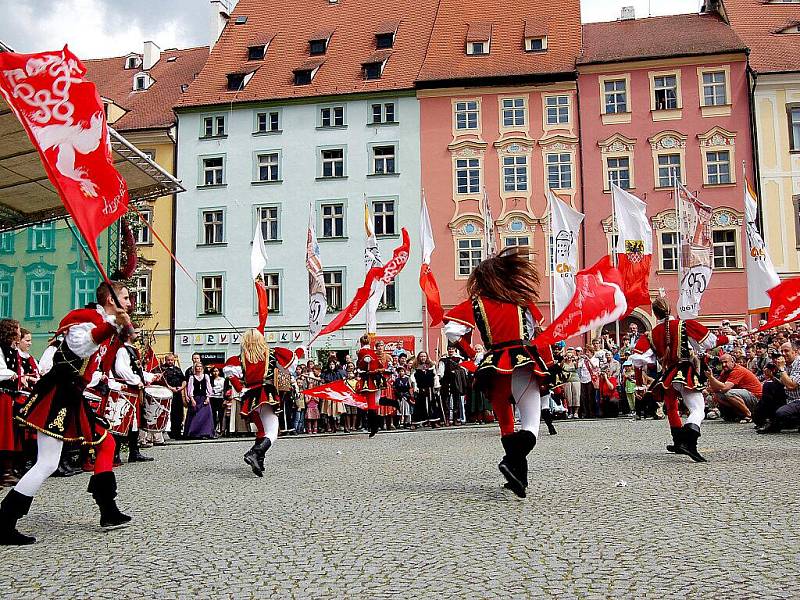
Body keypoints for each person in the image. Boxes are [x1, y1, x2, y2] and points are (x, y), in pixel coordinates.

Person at [1, 281, 133, 545]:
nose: (129, 302)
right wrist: (112, 325)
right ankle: (4, 521)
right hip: (57, 395)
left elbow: (98, 361)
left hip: (74, 394)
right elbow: (81, 346)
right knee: (47, 463)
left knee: (105, 443)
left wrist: (120, 327)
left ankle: (108, 511)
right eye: (125, 298)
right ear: (110, 299)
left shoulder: (106, 323)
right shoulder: (84, 320)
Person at [442, 247, 553, 498]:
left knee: (506, 424)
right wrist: (549, 362)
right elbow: (538, 334)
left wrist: (470, 352)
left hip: (494, 365)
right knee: (530, 424)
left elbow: (452, 332)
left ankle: (518, 478)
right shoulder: (522, 302)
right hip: (523, 361)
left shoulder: (475, 304)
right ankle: (510, 461)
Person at [631, 297, 731, 462]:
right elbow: (710, 342)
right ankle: (688, 441)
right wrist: (729, 339)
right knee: (698, 409)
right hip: (684, 372)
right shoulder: (684, 324)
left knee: (671, 407)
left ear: (655, 314)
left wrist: (640, 386)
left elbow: (638, 361)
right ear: (669, 309)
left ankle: (678, 441)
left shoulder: (650, 334)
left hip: (667, 374)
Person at [223, 329, 296, 477]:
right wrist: (301, 350)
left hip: (249, 396)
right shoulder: (272, 353)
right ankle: (255, 453)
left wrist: (240, 388)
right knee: (272, 432)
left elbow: (230, 374)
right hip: (265, 394)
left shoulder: (240, 358)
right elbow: (291, 361)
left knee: (262, 430)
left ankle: (259, 463)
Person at [113, 327, 155, 462]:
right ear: (128, 334)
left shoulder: (132, 350)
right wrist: (136, 381)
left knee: (134, 422)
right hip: (127, 391)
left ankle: (134, 451)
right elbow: (121, 369)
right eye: (136, 332)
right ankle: (115, 454)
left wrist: (150, 377)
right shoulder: (122, 350)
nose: (138, 334)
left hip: (134, 391)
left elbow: (137, 370)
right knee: (122, 421)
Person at [756, 341, 800, 434]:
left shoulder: (798, 363)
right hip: (789, 398)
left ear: (795, 352)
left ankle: (792, 422)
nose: (783, 354)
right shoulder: (787, 364)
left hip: (798, 400)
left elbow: (791, 385)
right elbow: (783, 384)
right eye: (782, 351)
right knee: (769, 385)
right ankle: (771, 420)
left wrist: (781, 369)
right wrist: (772, 376)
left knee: (781, 413)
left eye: (786, 351)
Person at [705, 354, 762, 423]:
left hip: (756, 398)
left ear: (732, 361)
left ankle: (749, 415)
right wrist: (710, 379)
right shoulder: (725, 372)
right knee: (718, 395)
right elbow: (714, 389)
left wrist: (711, 378)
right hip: (745, 397)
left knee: (728, 393)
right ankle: (739, 414)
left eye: (726, 362)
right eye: (722, 363)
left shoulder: (738, 370)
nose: (723, 365)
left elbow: (725, 388)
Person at [0, 319, 22, 487]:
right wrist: (10, 374)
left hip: (10, 396)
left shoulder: (12, 350)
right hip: (2, 395)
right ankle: (5, 472)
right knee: (4, 434)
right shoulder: (1, 349)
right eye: (17, 329)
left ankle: (9, 469)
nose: (20, 332)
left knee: (10, 433)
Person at [355, 335, 390, 437]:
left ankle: (372, 426)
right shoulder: (372, 352)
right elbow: (380, 366)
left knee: (369, 404)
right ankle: (374, 425)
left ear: (361, 343)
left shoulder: (361, 352)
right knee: (373, 403)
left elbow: (362, 365)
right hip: (375, 380)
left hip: (367, 380)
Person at [156, 354, 186, 442]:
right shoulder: (162, 369)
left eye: (172, 360)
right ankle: (163, 433)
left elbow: (184, 380)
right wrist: (170, 388)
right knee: (166, 413)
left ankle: (177, 432)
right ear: (166, 360)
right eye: (168, 360)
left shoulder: (178, 369)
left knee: (178, 413)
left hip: (178, 393)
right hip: (166, 393)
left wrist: (181, 387)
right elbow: (161, 381)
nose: (170, 362)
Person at [184, 363, 215, 439]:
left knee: (206, 416)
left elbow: (209, 387)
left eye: (200, 366)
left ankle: (206, 433)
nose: (199, 368)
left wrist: (208, 398)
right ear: (195, 368)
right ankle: (194, 433)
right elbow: (190, 389)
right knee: (196, 416)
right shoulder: (192, 377)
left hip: (204, 398)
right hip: (196, 398)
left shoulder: (206, 376)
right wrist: (192, 399)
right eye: (197, 366)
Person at [751, 363, 786, 427]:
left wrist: (772, 377)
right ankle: (763, 419)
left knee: (768, 386)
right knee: (766, 387)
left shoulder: (783, 369)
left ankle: (768, 419)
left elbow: (786, 384)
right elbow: (759, 378)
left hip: (787, 396)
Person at [410, 351, 439, 429]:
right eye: (421, 356)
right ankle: (415, 423)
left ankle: (434, 421)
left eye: (424, 356)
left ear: (427, 357)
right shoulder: (415, 367)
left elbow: (435, 376)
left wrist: (436, 386)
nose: (423, 358)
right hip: (420, 388)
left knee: (432, 404)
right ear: (419, 357)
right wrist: (415, 387)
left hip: (430, 388)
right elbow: (413, 378)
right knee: (419, 405)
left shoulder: (431, 366)